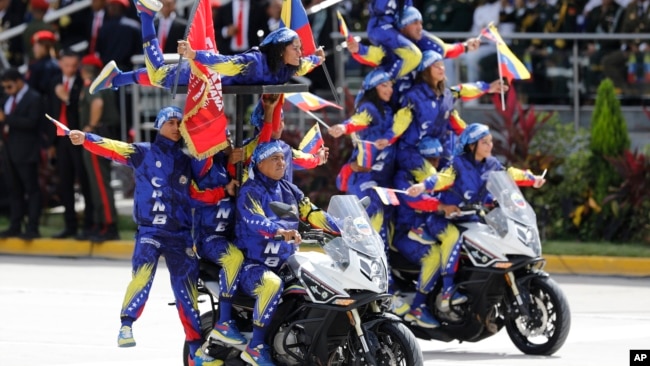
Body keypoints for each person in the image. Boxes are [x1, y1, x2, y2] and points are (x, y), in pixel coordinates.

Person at [67, 106, 224, 366]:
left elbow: (202, 188)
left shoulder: (188, 160)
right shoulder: (142, 152)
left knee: (187, 294)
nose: (176, 127)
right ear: (159, 125)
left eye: (179, 123)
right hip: (150, 231)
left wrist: (223, 180)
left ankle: (196, 348)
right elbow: (113, 148)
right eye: (171, 122)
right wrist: (86, 138)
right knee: (142, 274)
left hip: (181, 236)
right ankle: (126, 325)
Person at [404, 123, 545, 327]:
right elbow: (441, 179)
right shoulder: (458, 164)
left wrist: (532, 179)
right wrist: (422, 186)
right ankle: (447, 291)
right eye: (484, 142)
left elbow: (510, 175)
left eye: (490, 141)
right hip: (443, 219)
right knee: (453, 238)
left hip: (470, 218)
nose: (490, 145)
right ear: (472, 145)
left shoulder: (492, 164)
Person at [235, 141, 338, 365]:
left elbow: (312, 212)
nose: (281, 162)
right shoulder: (250, 190)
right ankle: (256, 346)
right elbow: (255, 220)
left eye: (282, 158)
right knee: (271, 284)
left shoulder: (289, 189)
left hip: (285, 264)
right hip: (254, 266)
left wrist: (342, 227)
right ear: (260, 163)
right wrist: (279, 231)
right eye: (274, 158)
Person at [88, 0, 324, 94]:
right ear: (281, 49)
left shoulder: (289, 64)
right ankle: (146, 16)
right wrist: (194, 55)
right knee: (159, 73)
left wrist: (318, 59)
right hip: (205, 77)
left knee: (163, 76)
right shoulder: (253, 63)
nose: (300, 52)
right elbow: (224, 63)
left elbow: (306, 64)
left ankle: (118, 78)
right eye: (296, 47)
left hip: (210, 87)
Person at [396, 50, 506, 184]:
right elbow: (399, 126)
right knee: (433, 180)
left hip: (440, 149)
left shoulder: (447, 94)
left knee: (460, 175)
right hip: (412, 151)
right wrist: (386, 139)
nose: (441, 68)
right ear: (425, 70)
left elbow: (462, 90)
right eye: (436, 65)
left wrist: (488, 87)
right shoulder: (413, 96)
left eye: (442, 64)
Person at [328, 69, 409, 245]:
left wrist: (387, 139)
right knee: (372, 235)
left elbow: (398, 128)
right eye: (384, 85)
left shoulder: (389, 109)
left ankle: (383, 271)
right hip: (365, 179)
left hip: (383, 181)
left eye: (390, 86)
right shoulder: (369, 107)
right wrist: (343, 128)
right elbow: (358, 120)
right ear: (373, 88)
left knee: (383, 232)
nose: (390, 90)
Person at [47, 49, 96, 240]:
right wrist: (51, 142)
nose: (70, 69)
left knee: (84, 181)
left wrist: (66, 98)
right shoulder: (54, 81)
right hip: (60, 141)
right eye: (66, 65)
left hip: (78, 137)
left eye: (74, 66)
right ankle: (70, 225)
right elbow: (50, 113)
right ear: (60, 64)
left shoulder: (81, 83)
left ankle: (90, 224)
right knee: (65, 183)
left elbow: (79, 108)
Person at [77, 54, 121, 242]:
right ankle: (101, 223)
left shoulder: (91, 85)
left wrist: (90, 127)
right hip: (106, 134)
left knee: (100, 183)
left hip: (96, 136)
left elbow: (97, 103)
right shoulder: (104, 84)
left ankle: (108, 224)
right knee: (99, 182)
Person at [0, 68, 45, 240]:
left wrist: (7, 118)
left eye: (10, 86)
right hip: (9, 151)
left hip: (26, 151)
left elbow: (32, 123)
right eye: (4, 87)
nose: (7, 90)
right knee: (14, 190)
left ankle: (32, 227)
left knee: (31, 190)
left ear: (19, 81)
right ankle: (15, 225)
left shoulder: (33, 98)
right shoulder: (7, 98)